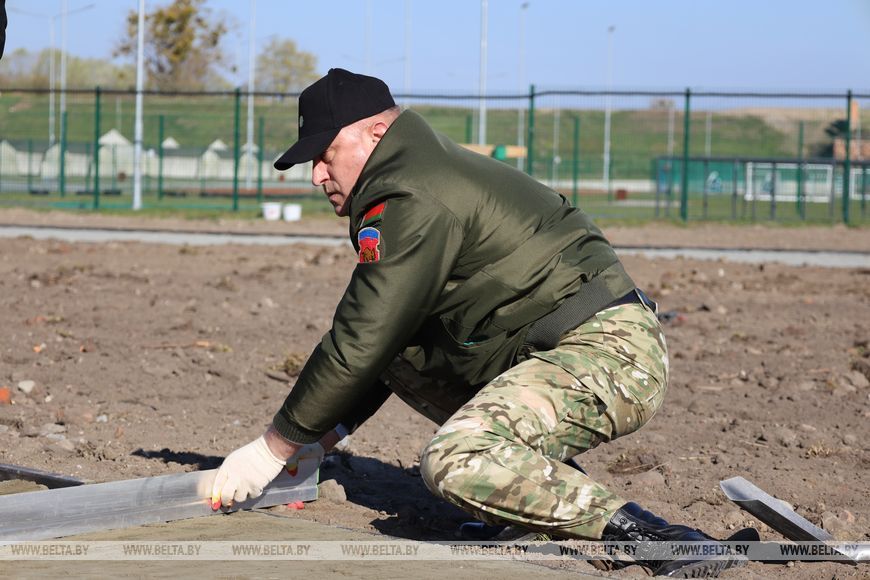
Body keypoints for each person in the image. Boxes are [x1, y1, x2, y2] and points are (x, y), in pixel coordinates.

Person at [211, 68, 745, 577]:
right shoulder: (411, 175)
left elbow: (359, 338)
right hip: (553, 345)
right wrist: (311, 446)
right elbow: (384, 347)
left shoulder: (410, 192)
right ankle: (533, 515)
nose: (317, 175)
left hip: (608, 350)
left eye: (325, 155)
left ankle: (654, 537)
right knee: (400, 355)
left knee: (456, 459)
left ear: (377, 132)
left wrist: (272, 447)